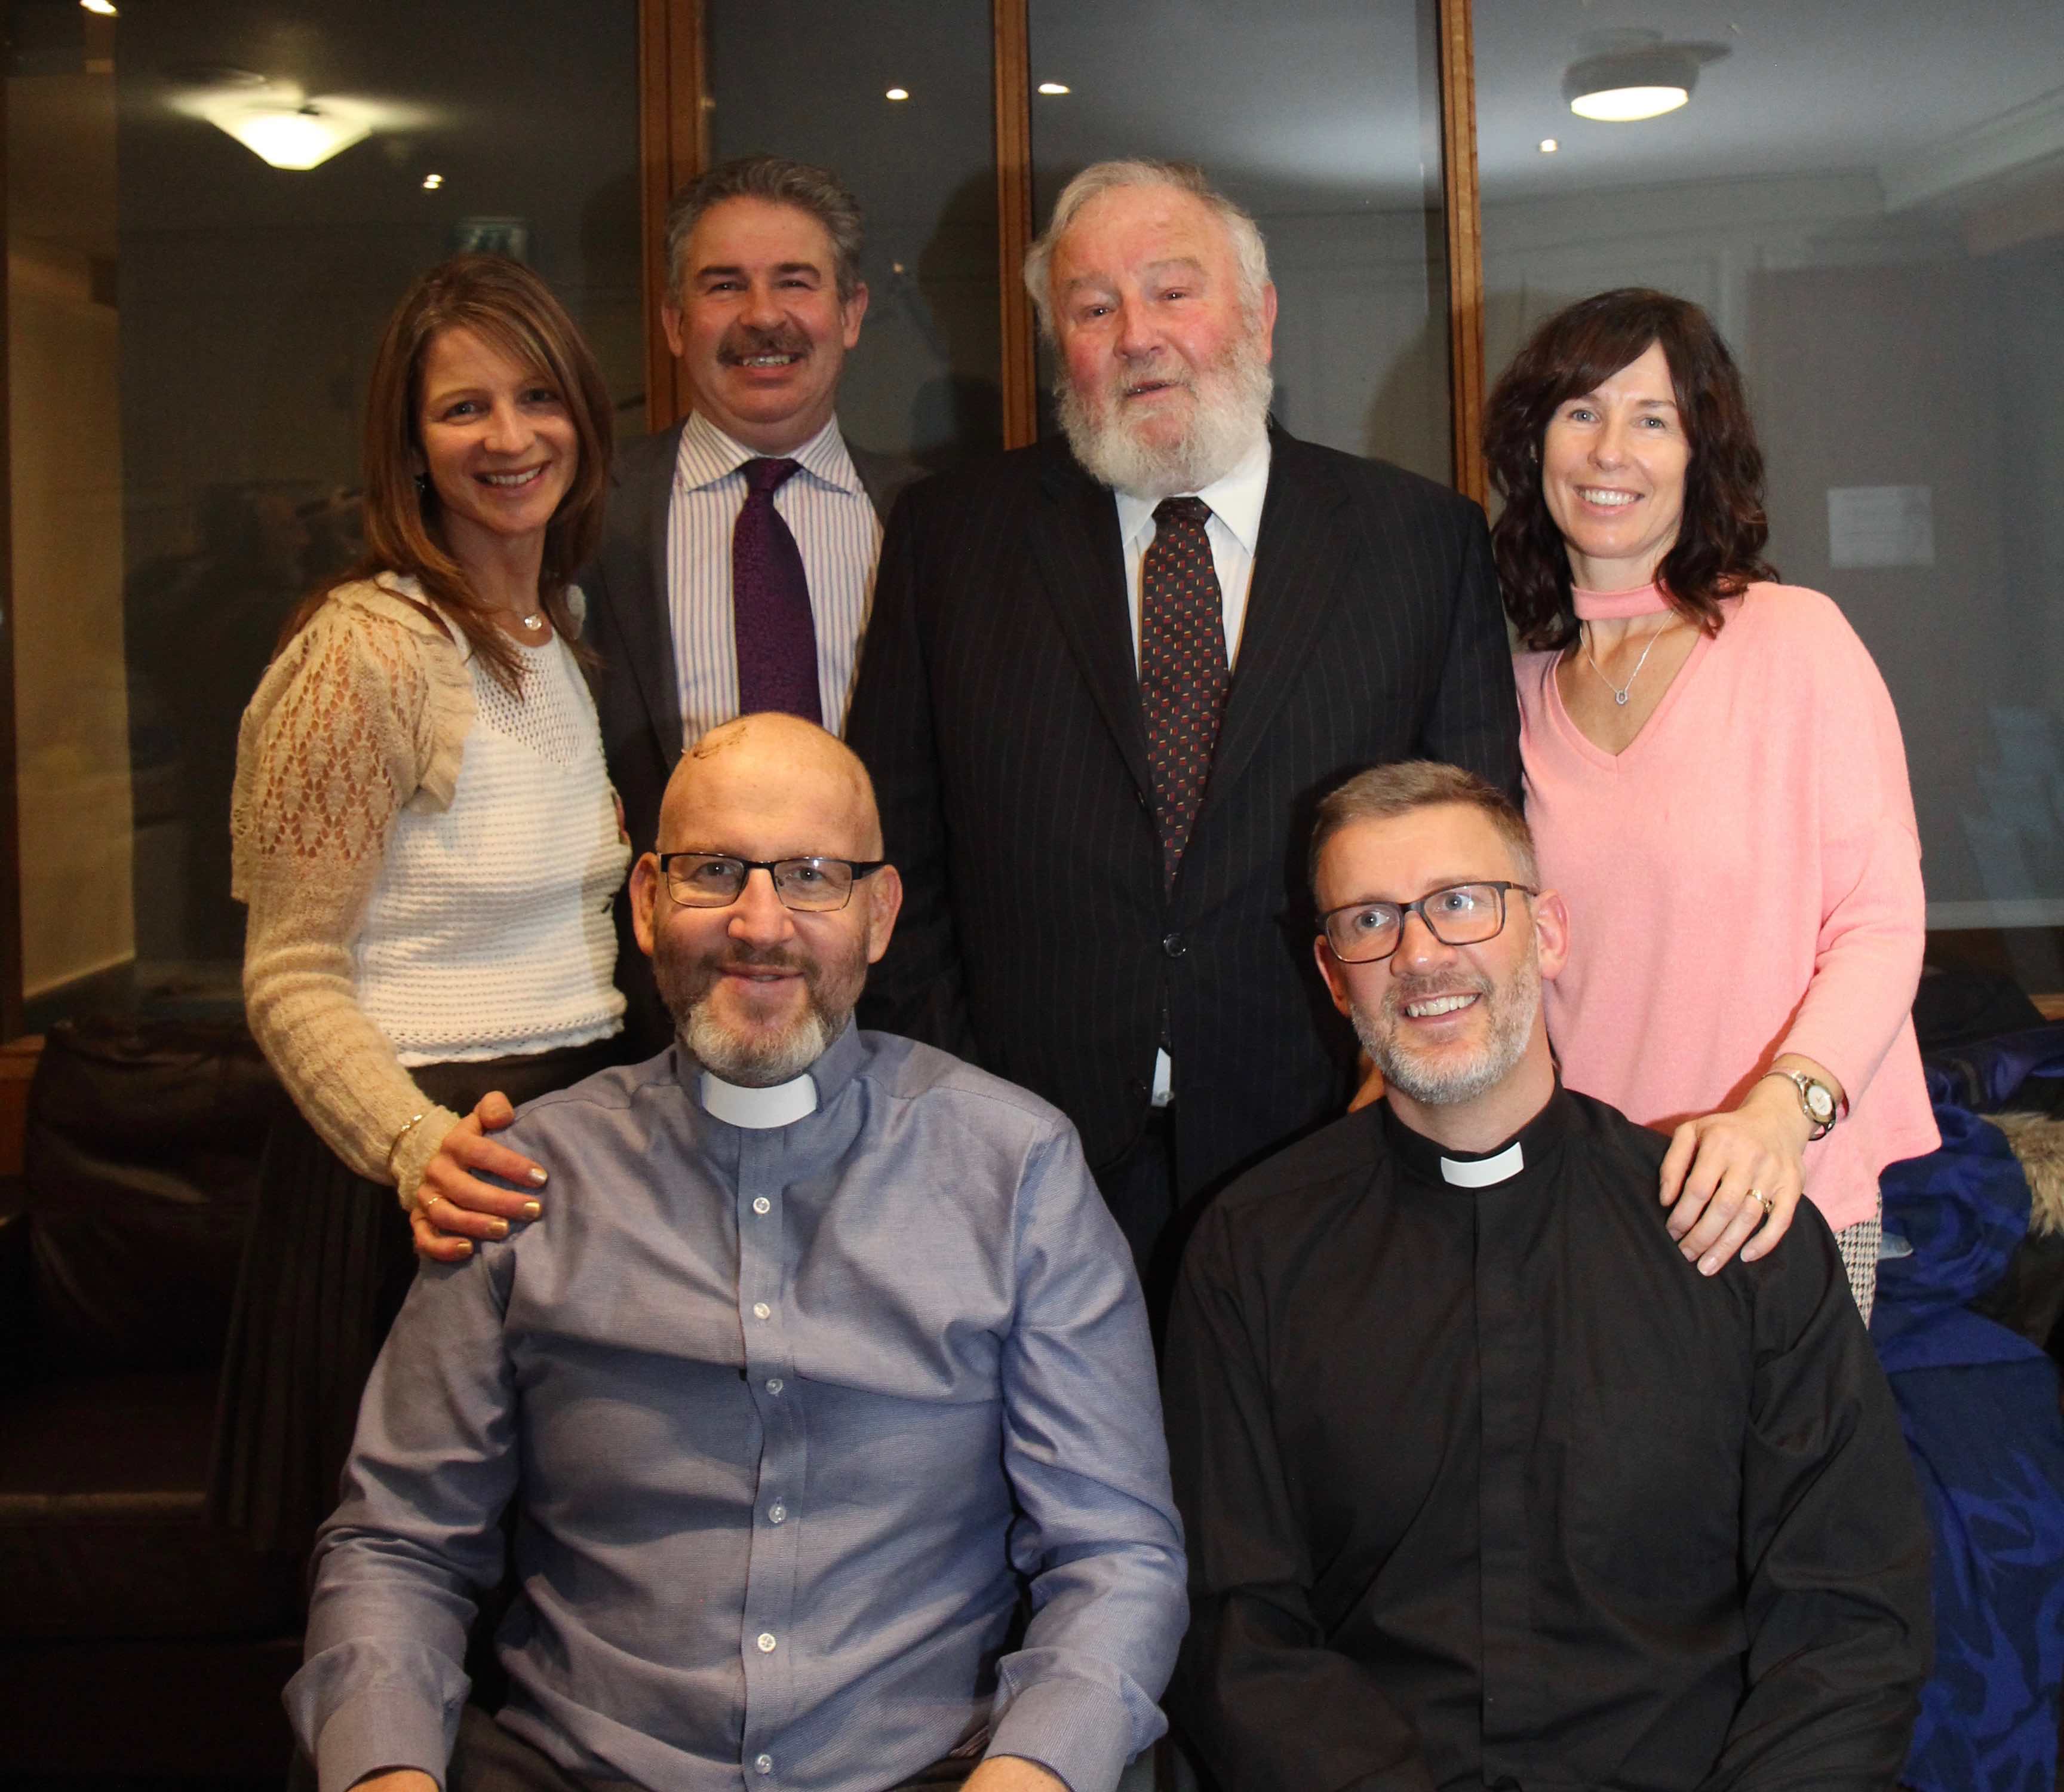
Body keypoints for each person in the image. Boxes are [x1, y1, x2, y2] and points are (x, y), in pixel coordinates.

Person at [286, 713, 1186, 1792]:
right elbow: (397, 1549)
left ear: (880, 913)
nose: (762, 925)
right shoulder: (519, 1182)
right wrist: (385, 1772)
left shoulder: (1019, 1171)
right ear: (650, 902)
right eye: (716, 872)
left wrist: (1033, 1772)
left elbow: (1115, 1558)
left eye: (813, 875)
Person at [1163, 760, 1932, 1792]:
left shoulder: (1736, 1239)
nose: (1420, 954)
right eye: (1370, 921)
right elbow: (1235, 1628)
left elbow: (1850, 1620)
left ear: (1550, 933)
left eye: (1463, 904)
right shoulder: (1249, 1253)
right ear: (1333, 972)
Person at [844, 159, 1519, 1290]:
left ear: (1258, 312)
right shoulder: (950, 541)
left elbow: (1473, 862)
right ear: (1061, 341)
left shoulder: (1422, 543)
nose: (1137, 336)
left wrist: (1401, 1079)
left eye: (1172, 291)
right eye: (1093, 307)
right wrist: (956, 1099)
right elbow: (892, 859)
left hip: (1328, 1142)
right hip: (1019, 1162)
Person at [211, 256, 631, 1553]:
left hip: (563, 1160)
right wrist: (410, 1148)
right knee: (392, 1619)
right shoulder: (363, 650)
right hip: (412, 1188)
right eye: (463, 409)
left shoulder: (560, 634)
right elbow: (288, 972)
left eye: (538, 398)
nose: (510, 438)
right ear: (409, 442)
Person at [1484, 288, 1937, 1318]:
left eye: (1653, 419)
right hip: (1588, 1215)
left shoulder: (1795, 640)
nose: (1611, 451)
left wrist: (1788, 1110)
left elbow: (1879, 919)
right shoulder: (1508, 695)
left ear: (1701, 455)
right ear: (1536, 442)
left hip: (1782, 1196)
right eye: (1581, 412)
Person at [579, 155, 922, 1053]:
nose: (762, 316)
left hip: (892, 1022)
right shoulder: (580, 520)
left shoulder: (937, 525)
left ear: (850, 313)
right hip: (645, 1030)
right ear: (674, 322)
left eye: (795, 283)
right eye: (724, 285)